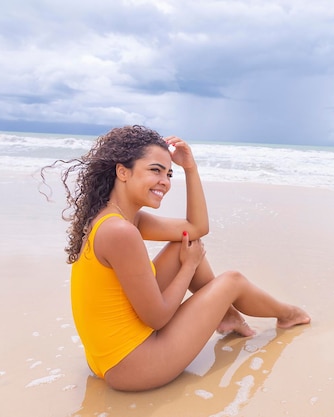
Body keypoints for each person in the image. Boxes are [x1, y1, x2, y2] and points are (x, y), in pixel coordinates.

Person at [44, 125, 310, 391]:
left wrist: (190, 168)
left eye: (169, 174)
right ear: (122, 171)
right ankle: (288, 314)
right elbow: (157, 318)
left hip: (109, 359)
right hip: (134, 367)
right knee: (232, 281)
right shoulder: (120, 231)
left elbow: (196, 228)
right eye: (155, 170)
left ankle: (226, 314)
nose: (165, 182)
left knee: (186, 241)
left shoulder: (114, 218)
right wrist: (189, 265)